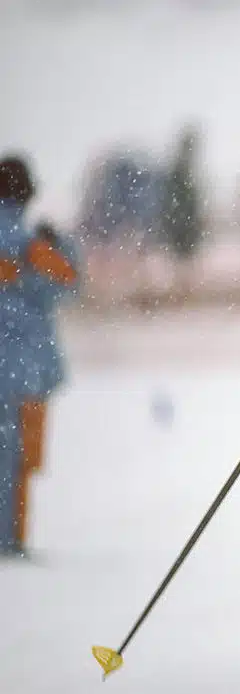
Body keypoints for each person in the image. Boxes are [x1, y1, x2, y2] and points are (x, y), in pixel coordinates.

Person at [0, 155, 79, 557]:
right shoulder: (26, 241)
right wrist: (56, 247)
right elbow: (68, 279)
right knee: (15, 461)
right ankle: (10, 542)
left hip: (20, 367)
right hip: (21, 370)